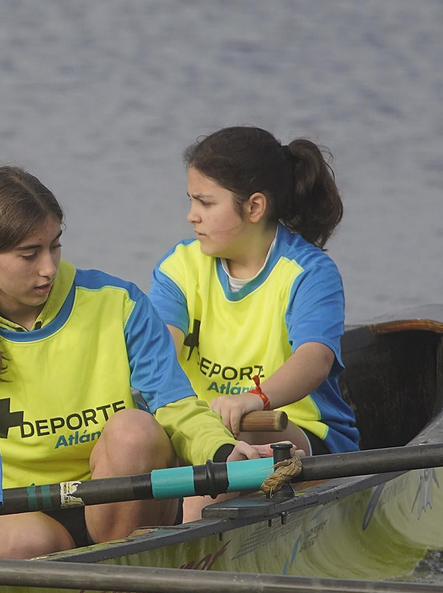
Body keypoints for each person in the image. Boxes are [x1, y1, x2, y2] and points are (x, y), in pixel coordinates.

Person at [0, 166, 259, 559]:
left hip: (113, 504)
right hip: (9, 512)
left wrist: (222, 453)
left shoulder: (117, 302)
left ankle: (123, 579)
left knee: (136, 429)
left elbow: (175, 405)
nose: (48, 268)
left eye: (55, 246)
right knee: (26, 542)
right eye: (29, 254)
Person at [150, 127, 358, 479]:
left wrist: (253, 399)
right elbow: (157, 350)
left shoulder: (308, 273)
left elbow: (315, 358)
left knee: (236, 427)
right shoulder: (179, 267)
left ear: (254, 207)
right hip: (202, 431)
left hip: (299, 433)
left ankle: (189, 525)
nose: (191, 215)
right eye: (190, 200)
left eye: (205, 203)